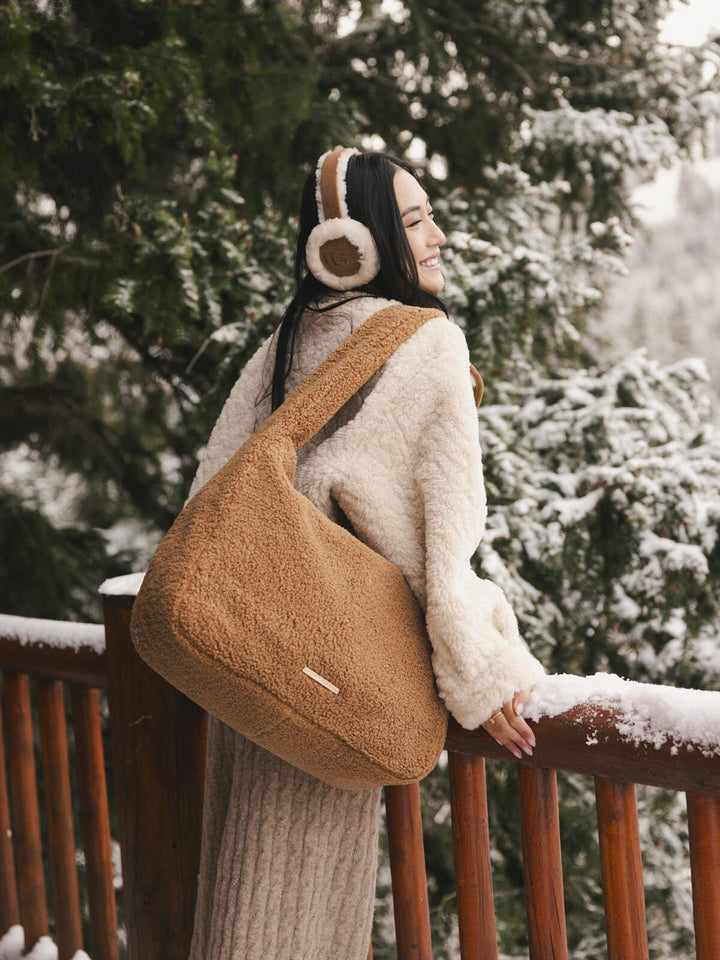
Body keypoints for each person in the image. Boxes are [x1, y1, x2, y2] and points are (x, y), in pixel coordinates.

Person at [186, 148, 544, 960]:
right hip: (333, 670)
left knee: (240, 906)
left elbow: (210, 492)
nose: (439, 236)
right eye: (416, 221)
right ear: (360, 240)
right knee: (299, 921)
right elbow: (440, 553)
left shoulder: (289, 338)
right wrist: (480, 673)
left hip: (249, 652)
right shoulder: (426, 343)